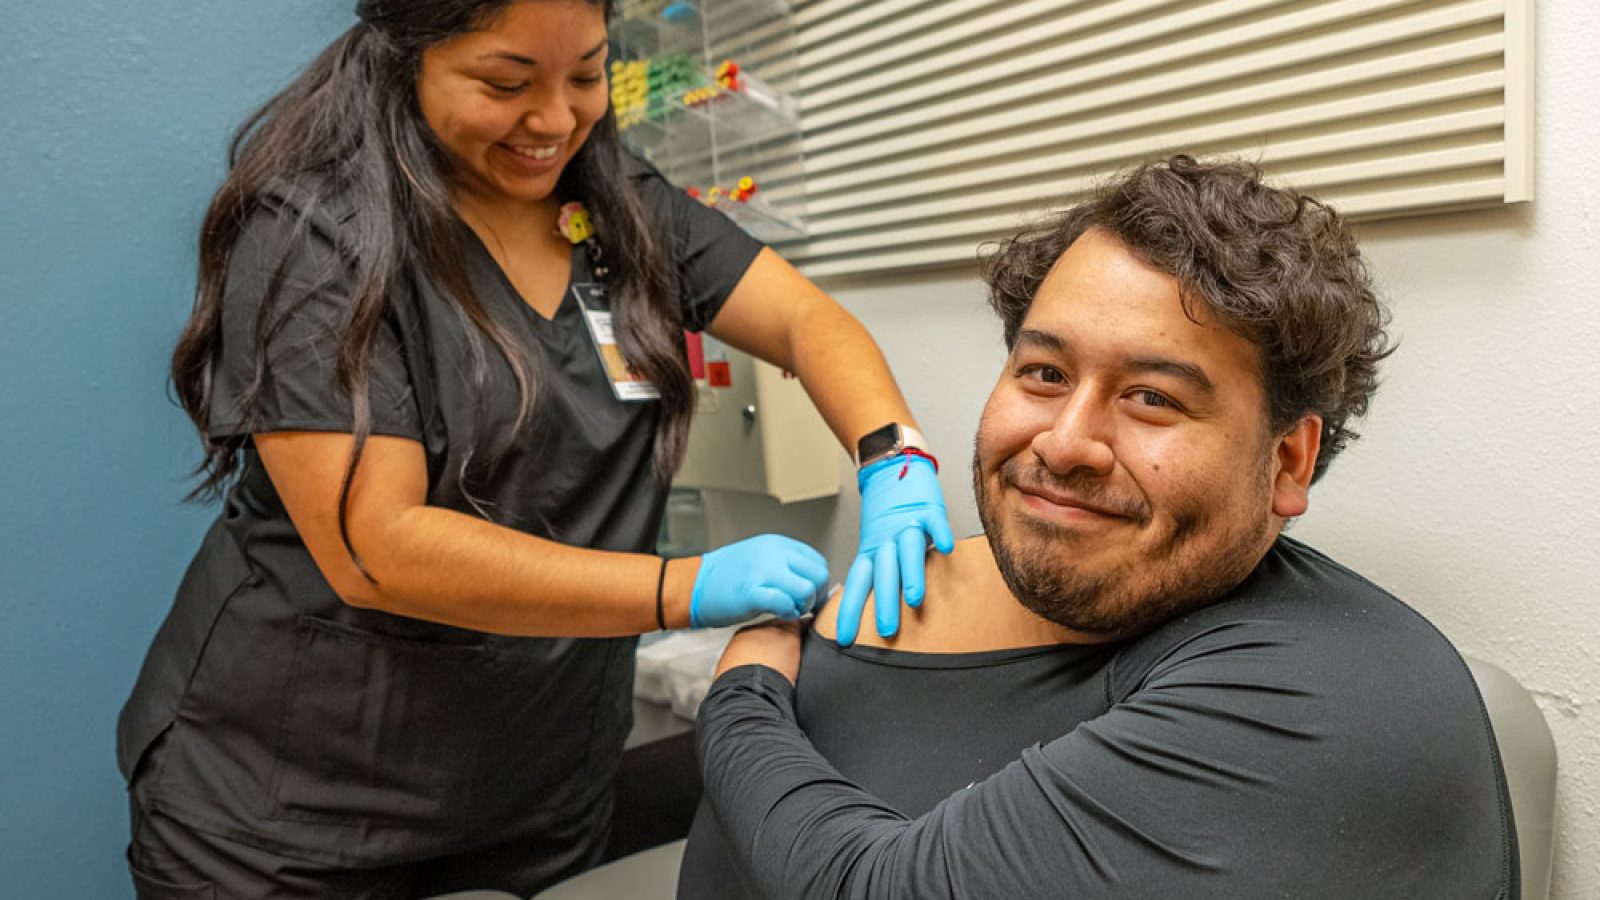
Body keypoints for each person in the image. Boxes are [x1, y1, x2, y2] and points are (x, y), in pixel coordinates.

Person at [116, 1, 951, 896]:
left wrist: (894, 457)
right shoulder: (313, 234)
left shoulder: (615, 205)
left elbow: (802, 317)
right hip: (294, 811)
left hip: (540, 794)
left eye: (586, 75)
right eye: (506, 83)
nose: (555, 120)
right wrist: (684, 588)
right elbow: (377, 546)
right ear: (408, 57)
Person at [690, 155, 1518, 898]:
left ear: (1289, 462)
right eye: (1045, 373)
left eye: (1152, 397)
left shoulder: (1335, 698)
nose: (1064, 442)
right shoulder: (1045, 586)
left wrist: (744, 687)